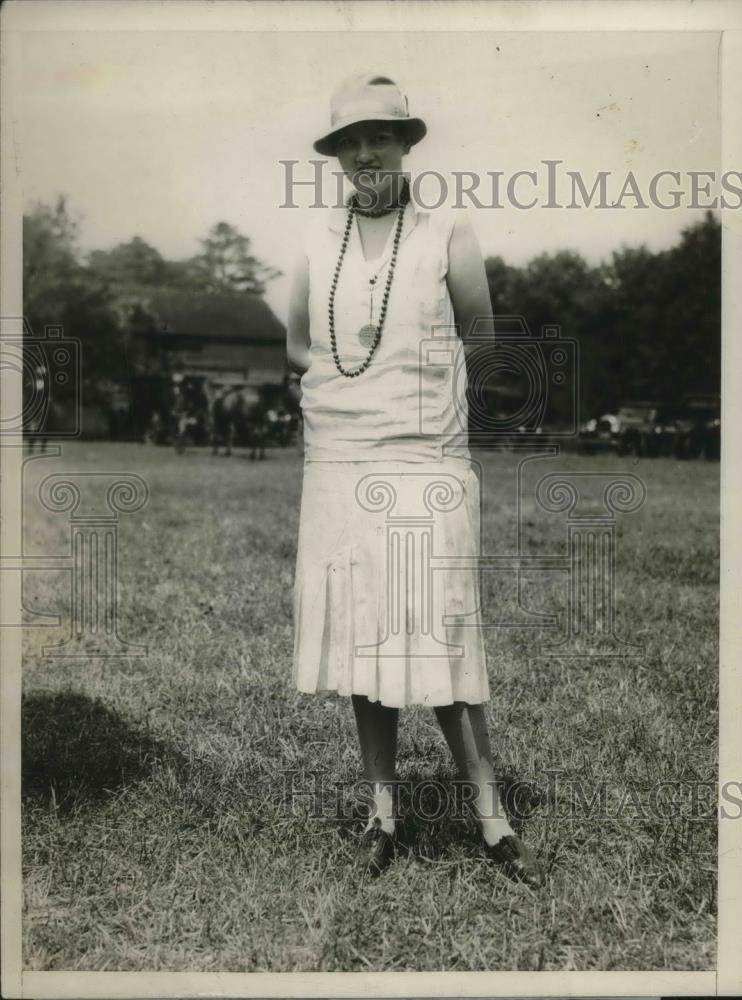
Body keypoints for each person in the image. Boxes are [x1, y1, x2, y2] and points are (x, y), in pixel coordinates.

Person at [286, 72, 542, 887]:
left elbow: (483, 338)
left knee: (438, 629)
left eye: (382, 138)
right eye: (351, 141)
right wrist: (348, 388)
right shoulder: (315, 244)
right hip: (340, 459)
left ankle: (493, 819)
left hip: (424, 461)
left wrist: (416, 405)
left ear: (405, 146)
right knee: (367, 635)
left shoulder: (447, 233)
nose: (367, 152)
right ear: (335, 155)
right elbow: (299, 344)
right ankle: (382, 812)